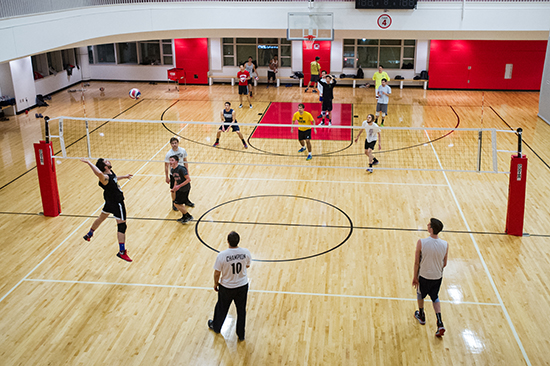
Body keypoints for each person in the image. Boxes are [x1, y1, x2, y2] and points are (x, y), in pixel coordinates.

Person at [81, 158, 133, 262]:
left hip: (109, 201)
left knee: (101, 218)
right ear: (105, 167)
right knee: (122, 225)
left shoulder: (110, 173)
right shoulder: (104, 177)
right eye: (106, 161)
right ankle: (122, 252)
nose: (108, 161)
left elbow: (114, 178)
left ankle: (89, 234)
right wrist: (89, 163)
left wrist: (124, 176)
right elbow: (99, 174)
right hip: (117, 202)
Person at [208, 231, 252, 341]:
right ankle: (241, 334)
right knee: (241, 310)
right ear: (238, 241)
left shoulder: (222, 255)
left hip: (227, 287)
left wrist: (215, 283)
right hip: (242, 286)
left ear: (227, 241)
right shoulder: (245, 252)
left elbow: (217, 272)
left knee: (221, 308)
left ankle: (217, 327)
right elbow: (247, 265)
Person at [412, 218, 449, 338]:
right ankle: (439, 322)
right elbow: (444, 263)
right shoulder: (445, 244)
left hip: (424, 276)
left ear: (431, 229)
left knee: (420, 294)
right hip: (437, 277)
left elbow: (417, 262)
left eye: (429, 224)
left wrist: (414, 277)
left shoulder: (421, 242)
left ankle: (421, 315)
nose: (427, 225)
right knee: (435, 297)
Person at [164, 137, 193, 211]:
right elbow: (166, 166)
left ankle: (186, 200)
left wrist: (187, 172)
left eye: (175, 143)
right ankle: (174, 203)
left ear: (178, 143)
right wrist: (167, 177)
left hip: (182, 173)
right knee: (174, 189)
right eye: (172, 143)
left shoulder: (182, 150)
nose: (174, 144)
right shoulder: (169, 154)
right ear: (170, 144)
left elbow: (185, 161)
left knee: (186, 188)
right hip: (174, 174)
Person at [169, 155, 193, 223]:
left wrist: (179, 186)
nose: (170, 162)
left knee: (176, 204)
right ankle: (185, 216)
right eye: (170, 160)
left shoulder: (181, 169)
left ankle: (188, 216)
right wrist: (174, 187)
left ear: (176, 161)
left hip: (185, 188)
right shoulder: (172, 170)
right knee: (178, 203)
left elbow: (188, 179)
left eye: (172, 160)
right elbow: (176, 179)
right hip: (179, 188)